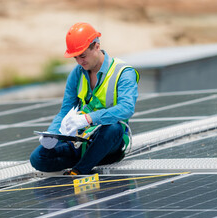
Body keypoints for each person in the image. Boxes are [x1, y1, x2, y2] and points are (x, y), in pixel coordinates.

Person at [30, 22, 139, 175]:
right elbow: (65, 110)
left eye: (83, 55)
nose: (80, 61)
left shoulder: (123, 72)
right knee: (38, 158)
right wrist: (52, 134)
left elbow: (126, 108)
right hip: (80, 139)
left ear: (96, 46)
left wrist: (88, 118)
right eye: (75, 57)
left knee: (112, 128)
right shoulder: (77, 73)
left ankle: (80, 169)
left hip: (109, 139)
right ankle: (91, 158)